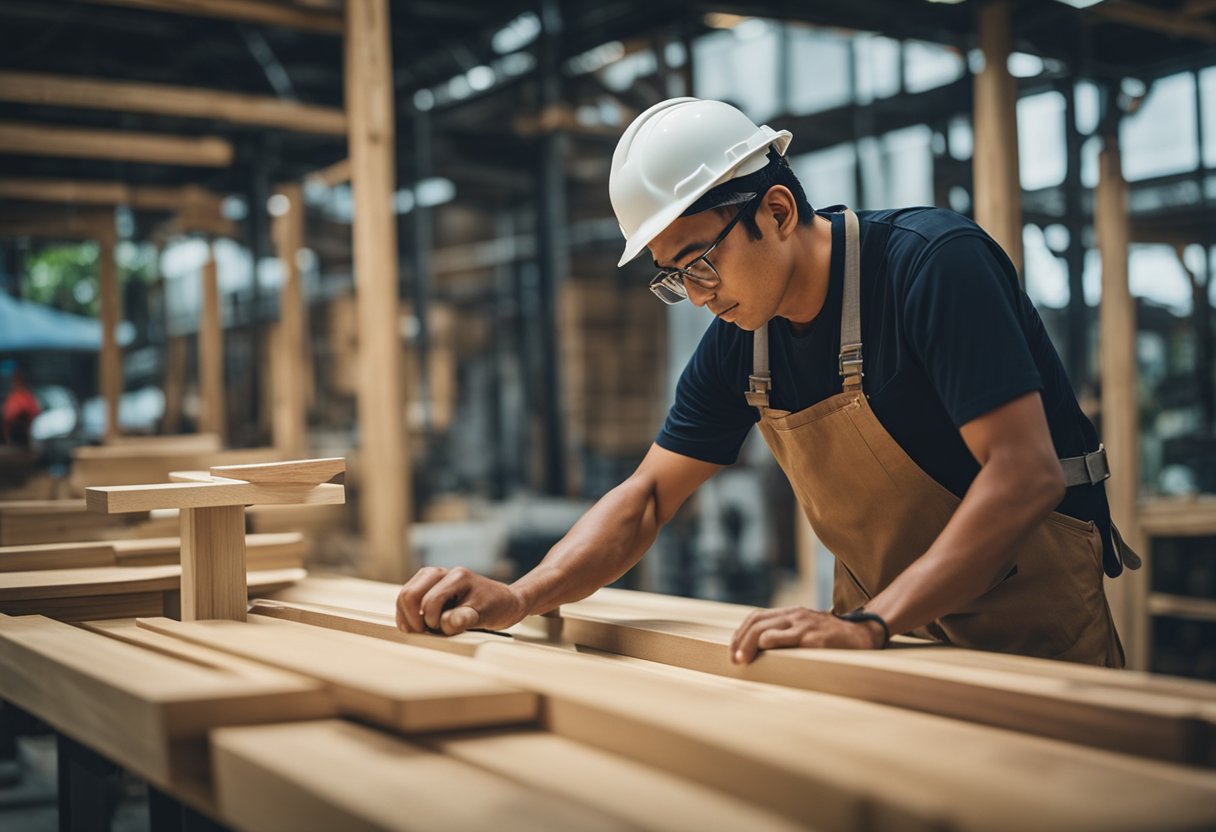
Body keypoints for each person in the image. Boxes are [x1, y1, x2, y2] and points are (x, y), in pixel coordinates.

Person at [397, 97, 1139, 667]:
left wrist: (870, 623)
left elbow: (1024, 475)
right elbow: (648, 498)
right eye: (673, 276)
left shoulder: (931, 264)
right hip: (884, 638)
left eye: (700, 261)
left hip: (1028, 635)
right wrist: (523, 594)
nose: (695, 293)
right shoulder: (738, 347)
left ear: (777, 210)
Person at [2, 366, 40, 450]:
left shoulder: (25, 397)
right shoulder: (14, 397)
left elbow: (34, 413)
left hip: (23, 437)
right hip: (16, 438)